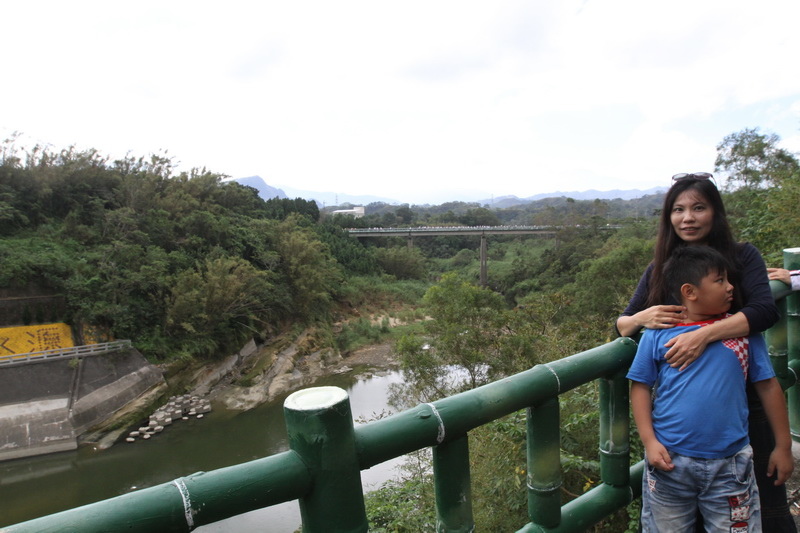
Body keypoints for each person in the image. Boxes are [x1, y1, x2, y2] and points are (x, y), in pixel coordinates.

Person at [617, 172, 795, 531]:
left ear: (715, 212)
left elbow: (764, 312)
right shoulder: (663, 268)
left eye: (698, 208)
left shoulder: (741, 257)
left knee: (750, 510)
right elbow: (623, 325)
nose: (688, 218)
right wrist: (639, 318)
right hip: (678, 433)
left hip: (740, 412)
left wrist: (705, 334)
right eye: (678, 209)